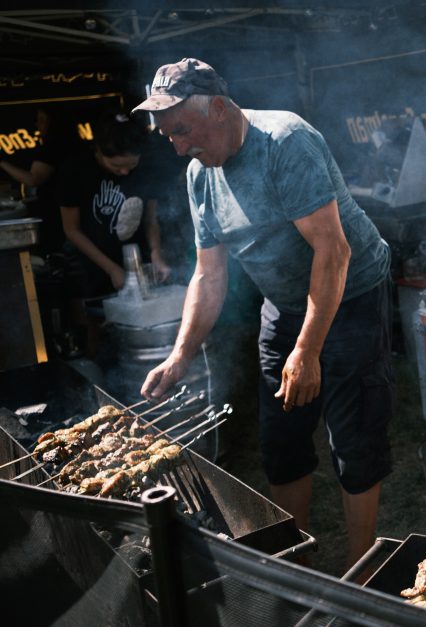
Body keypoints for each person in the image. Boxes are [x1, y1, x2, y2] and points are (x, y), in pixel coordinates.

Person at [134, 58, 394, 569]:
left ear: (221, 108)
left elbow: (333, 252)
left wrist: (309, 349)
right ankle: (291, 561)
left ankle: (362, 570)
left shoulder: (284, 143)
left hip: (352, 292)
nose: (180, 146)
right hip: (285, 302)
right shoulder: (199, 176)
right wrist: (180, 356)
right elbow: (209, 276)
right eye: (169, 137)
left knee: (354, 438)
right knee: (280, 439)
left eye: (183, 130)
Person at [57, 111, 171, 353]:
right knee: (96, 330)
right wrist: (111, 269)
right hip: (88, 264)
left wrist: (156, 254)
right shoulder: (74, 171)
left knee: (140, 325)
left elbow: (151, 219)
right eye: (116, 166)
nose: (124, 173)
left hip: (134, 260)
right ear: (98, 151)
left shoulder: (148, 168)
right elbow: (71, 230)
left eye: (131, 166)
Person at [1, 108, 80, 253]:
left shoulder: (53, 148)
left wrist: (2, 163)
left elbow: (34, 179)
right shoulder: (75, 145)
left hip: (56, 211)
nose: (38, 124)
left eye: (42, 120)